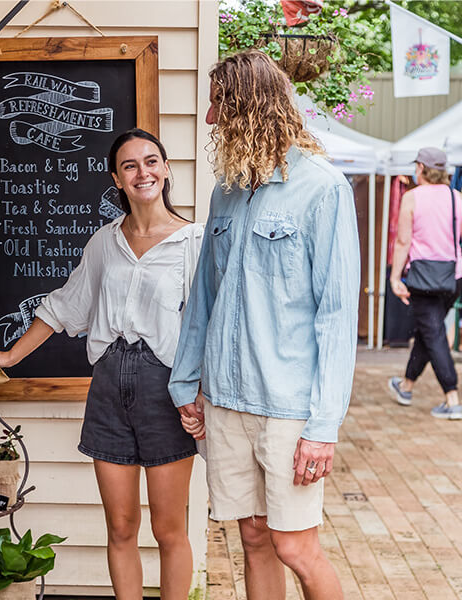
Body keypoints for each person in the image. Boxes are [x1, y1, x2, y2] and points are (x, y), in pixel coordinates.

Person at [0, 128, 204, 600]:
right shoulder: (104, 242)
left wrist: (198, 392)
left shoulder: (192, 241)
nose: (144, 172)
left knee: (168, 528)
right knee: (120, 526)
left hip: (166, 389)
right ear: (116, 179)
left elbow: (208, 326)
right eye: (131, 165)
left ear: (166, 169)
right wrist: (11, 355)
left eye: (152, 161)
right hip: (108, 388)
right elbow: (64, 307)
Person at [169, 50, 359, 600]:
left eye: (218, 107)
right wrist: (187, 384)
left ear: (251, 109)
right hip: (226, 401)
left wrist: (323, 426)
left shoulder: (322, 189)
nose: (210, 120)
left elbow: (337, 315)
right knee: (252, 537)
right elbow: (203, 299)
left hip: (288, 408)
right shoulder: (225, 192)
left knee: (295, 546)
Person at [388, 147, 462, 419]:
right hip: (454, 278)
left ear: (420, 167)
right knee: (426, 333)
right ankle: (406, 386)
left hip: (424, 280)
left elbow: (403, 242)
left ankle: (452, 397)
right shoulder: (457, 198)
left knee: (433, 334)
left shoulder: (412, 198)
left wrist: (396, 278)